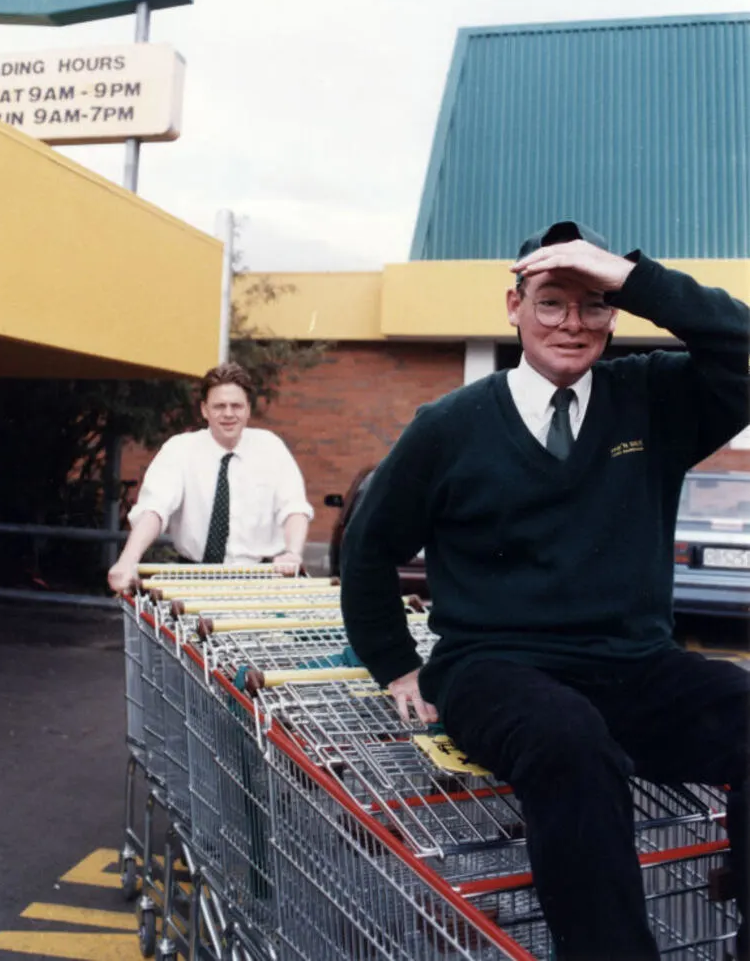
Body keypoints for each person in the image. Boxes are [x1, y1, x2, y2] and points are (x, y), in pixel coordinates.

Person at [340, 220, 750, 961]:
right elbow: (369, 546)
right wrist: (395, 662)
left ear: (615, 312)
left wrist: (632, 275)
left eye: (594, 304)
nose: (573, 323)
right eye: (553, 302)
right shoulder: (450, 424)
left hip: (634, 665)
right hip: (496, 667)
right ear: (513, 307)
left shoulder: (652, 397)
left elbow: (741, 345)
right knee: (569, 741)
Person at [108, 362, 313, 591]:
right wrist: (128, 560)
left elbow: (294, 509)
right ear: (204, 409)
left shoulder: (271, 448)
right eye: (219, 406)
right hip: (193, 580)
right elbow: (154, 509)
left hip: (261, 580)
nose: (228, 414)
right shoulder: (180, 450)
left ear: (248, 409)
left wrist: (292, 554)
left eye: (236, 406)